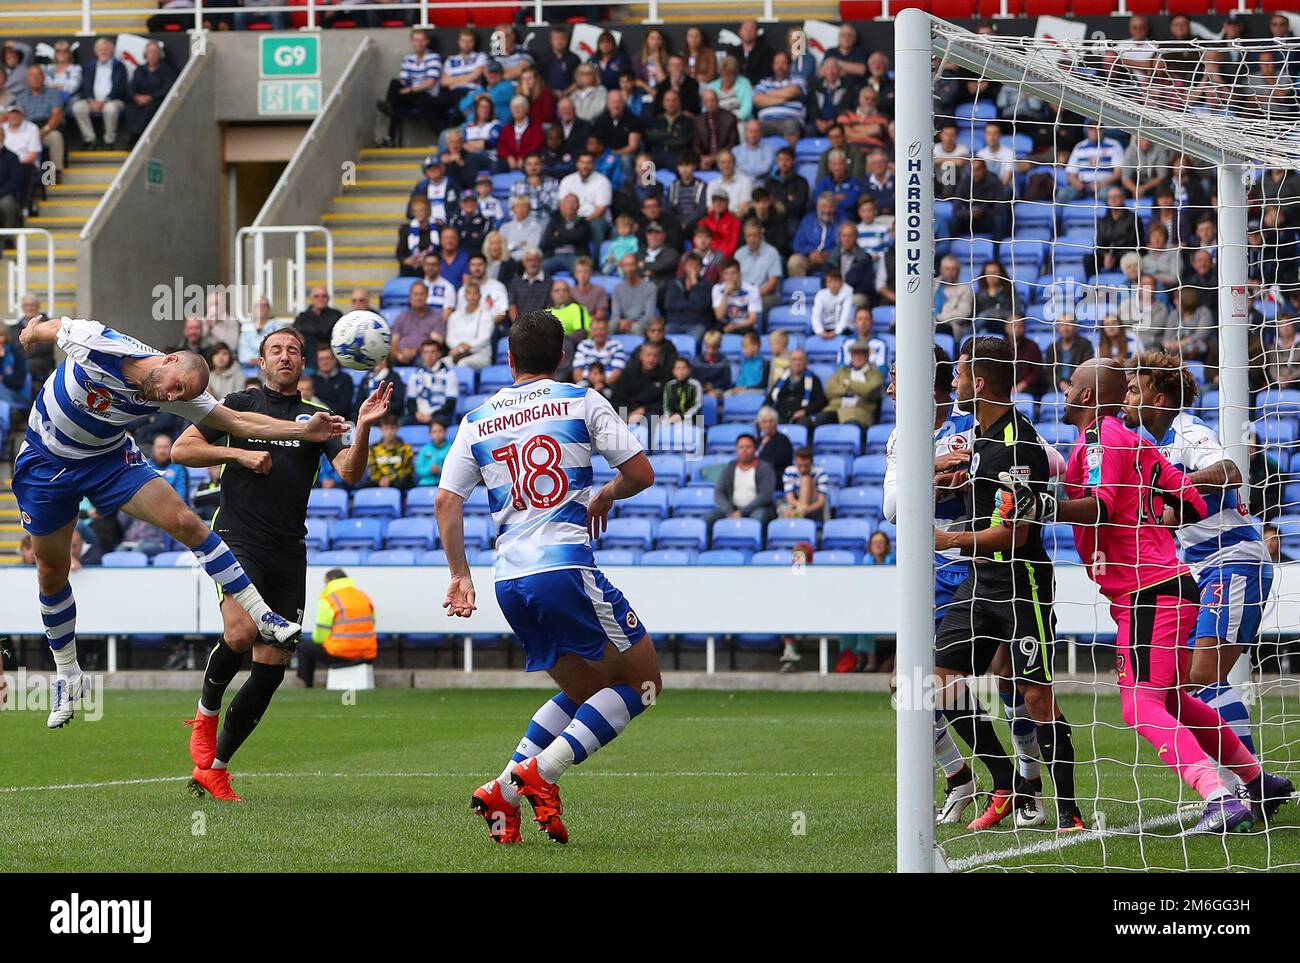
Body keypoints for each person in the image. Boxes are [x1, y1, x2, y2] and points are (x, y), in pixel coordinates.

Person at [15, 317, 348, 728]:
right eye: (174, 387)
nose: (171, 396)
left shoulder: (181, 393)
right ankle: (68, 673)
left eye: (181, 395)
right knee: (51, 571)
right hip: (46, 464)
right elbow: (55, 328)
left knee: (187, 521)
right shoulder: (100, 344)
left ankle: (262, 614)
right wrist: (32, 333)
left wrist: (303, 432)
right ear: (169, 359)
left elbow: (239, 423)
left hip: (107, 461)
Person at [1005, 357, 1292, 834]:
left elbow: (1099, 505)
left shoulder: (1100, 439)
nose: (1064, 388)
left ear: (1087, 396)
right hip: (1170, 583)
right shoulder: (1137, 442)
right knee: (1176, 698)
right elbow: (1191, 500)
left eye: (1071, 382)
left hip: (1148, 590)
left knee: (1139, 705)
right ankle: (1257, 780)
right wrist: (1151, 513)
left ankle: (1218, 796)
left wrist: (1043, 505)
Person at [437, 308, 661, 846]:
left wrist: (459, 575)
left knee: (587, 689)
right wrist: (605, 492)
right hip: (564, 566)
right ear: (562, 358)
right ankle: (533, 776)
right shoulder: (581, 399)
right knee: (643, 685)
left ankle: (501, 794)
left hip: (508, 581)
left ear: (509, 358)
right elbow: (641, 473)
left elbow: (446, 502)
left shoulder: (476, 419)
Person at [173, 328, 388, 801]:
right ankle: (206, 714)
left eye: (293, 350)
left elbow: (350, 472)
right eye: (276, 350)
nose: (285, 356)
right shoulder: (237, 403)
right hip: (236, 535)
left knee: (270, 670)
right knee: (241, 632)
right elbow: (181, 450)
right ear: (263, 360)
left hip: (289, 549)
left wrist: (365, 425)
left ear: (304, 362)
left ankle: (216, 768)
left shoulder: (318, 418)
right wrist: (239, 453)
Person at [931, 337, 1081, 832]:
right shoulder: (980, 434)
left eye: (957, 375)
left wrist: (947, 537)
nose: (952, 382)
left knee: (1034, 695)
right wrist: (955, 480)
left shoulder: (1018, 443)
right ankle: (1002, 781)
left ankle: (1070, 812)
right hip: (980, 579)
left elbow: (1019, 531)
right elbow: (992, 498)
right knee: (937, 682)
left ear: (979, 382)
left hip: (1021, 585)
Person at [1124, 353, 1276, 756]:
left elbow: (1230, 471)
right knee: (1188, 682)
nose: (1126, 397)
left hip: (1234, 562)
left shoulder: (1188, 432)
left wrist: (1176, 484)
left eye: (1134, 389)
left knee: (1205, 678)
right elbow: (1182, 509)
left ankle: (1250, 784)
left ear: (1157, 399)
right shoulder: (1155, 447)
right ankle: (1244, 778)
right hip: (1204, 570)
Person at [298, 569, 378, 688]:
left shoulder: (329, 599)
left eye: (326, 582)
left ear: (332, 580)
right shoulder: (362, 596)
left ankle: (306, 684)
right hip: (367, 653)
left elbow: (320, 636)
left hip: (342, 654)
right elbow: (372, 623)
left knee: (303, 645)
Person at [378, 28, 441, 146]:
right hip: (411, 94)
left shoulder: (433, 57)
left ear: (427, 41)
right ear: (412, 42)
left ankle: (389, 112)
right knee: (395, 84)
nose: (419, 43)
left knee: (397, 102)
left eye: (422, 40)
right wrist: (405, 90)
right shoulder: (408, 58)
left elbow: (430, 82)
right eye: (416, 40)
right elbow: (404, 80)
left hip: (427, 94)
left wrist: (411, 89)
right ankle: (390, 108)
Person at [707, 432, 775, 526]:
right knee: (708, 519)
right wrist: (729, 511)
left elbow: (765, 496)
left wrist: (742, 512)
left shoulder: (765, 469)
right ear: (736, 449)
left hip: (757, 508)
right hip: (732, 508)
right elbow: (719, 493)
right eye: (741, 447)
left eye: (748, 447)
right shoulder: (729, 468)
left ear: (755, 449)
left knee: (758, 518)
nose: (744, 450)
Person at [71, 37, 127, 150]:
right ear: (96, 52)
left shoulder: (119, 66)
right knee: (78, 107)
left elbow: (120, 88)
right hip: (93, 100)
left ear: (112, 51)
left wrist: (105, 100)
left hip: (113, 99)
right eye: (101, 49)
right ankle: (90, 140)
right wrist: (91, 100)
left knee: (110, 109)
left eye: (106, 49)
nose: (104, 52)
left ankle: (109, 141)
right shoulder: (90, 66)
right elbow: (85, 86)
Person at [817, 341, 884, 430]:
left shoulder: (875, 375)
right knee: (821, 419)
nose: (858, 357)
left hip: (859, 412)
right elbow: (829, 390)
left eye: (861, 354)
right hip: (836, 408)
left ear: (867, 356)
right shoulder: (842, 372)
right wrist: (857, 389)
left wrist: (849, 384)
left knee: (851, 426)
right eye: (855, 354)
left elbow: (869, 391)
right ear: (851, 356)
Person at [124, 41, 175, 146]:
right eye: (150, 52)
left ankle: (138, 138)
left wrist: (151, 97)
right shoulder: (140, 70)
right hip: (139, 100)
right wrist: (136, 97)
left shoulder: (167, 70)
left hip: (156, 99)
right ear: (145, 54)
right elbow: (132, 87)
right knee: (131, 108)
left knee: (150, 109)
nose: (152, 55)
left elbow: (167, 88)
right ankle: (132, 136)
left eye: (155, 52)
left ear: (160, 54)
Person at [407, 338, 459, 426]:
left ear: (439, 354)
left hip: (439, 416)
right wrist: (416, 413)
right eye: (426, 352)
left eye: (433, 352)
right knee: (402, 422)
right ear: (422, 355)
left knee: (441, 421)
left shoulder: (449, 374)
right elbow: (410, 400)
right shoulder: (415, 374)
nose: (429, 355)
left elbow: (451, 403)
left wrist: (432, 416)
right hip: (419, 416)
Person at [767, 349, 826, 424]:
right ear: (790, 362)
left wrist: (805, 411)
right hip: (781, 414)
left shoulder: (814, 379)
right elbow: (770, 398)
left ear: (806, 362)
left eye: (800, 360)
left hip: (801, 416)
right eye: (794, 360)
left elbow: (820, 401)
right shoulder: (782, 378)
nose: (797, 363)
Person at [446, 281, 495, 369]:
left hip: (480, 355)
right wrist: (459, 347)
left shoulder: (486, 315)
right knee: (442, 363)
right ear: (465, 296)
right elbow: (449, 338)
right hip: (458, 353)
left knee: (462, 364)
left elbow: (484, 339)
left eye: (475, 293)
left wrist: (463, 348)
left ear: (479, 296)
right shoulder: (454, 316)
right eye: (469, 293)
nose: (472, 296)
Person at [293, 285, 342, 362]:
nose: (320, 299)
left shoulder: (336, 315)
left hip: (330, 358)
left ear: (328, 298)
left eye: (324, 296)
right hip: (308, 359)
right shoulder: (302, 317)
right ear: (311, 299)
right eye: (316, 296)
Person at [779, 446, 828, 521]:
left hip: (813, 505)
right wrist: (802, 507)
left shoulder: (821, 472)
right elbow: (790, 498)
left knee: (806, 479)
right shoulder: (789, 471)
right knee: (787, 512)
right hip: (796, 504)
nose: (803, 469)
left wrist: (807, 509)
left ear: (811, 462)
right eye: (799, 466)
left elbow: (821, 501)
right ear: (795, 462)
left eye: (806, 466)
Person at [572, 316, 625, 383]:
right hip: (586, 385)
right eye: (595, 330)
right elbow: (577, 372)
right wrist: (590, 387)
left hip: (608, 385)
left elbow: (617, 373)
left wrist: (602, 385)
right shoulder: (583, 345)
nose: (598, 333)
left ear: (607, 330)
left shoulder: (616, 345)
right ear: (590, 331)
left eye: (601, 329)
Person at [369, 413, 416, 490]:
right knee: (364, 486)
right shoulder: (373, 449)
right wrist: (380, 479)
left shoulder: (406, 448)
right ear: (381, 429)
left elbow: (408, 470)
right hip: (379, 481)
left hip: (399, 481)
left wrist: (390, 479)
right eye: (386, 428)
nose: (389, 432)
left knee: (403, 483)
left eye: (392, 428)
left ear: (397, 429)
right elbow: (372, 469)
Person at [312, 344, 355, 418]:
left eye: (327, 358)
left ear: (334, 360)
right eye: (321, 359)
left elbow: (344, 407)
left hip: (339, 420)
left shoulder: (345, 379)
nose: (324, 362)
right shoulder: (312, 379)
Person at [662, 356, 701, 423]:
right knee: (659, 426)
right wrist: (670, 416)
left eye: (684, 368)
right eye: (678, 368)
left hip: (690, 418)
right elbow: (666, 405)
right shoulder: (669, 385)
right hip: (672, 418)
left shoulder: (695, 385)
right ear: (673, 371)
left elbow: (697, 405)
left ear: (689, 370)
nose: (681, 371)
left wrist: (683, 416)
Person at [415, 419, 452, 486]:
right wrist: (430, 470)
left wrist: (440, 470)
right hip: (425, 483)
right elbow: (418, 469)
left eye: (440, 431)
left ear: (446, 432)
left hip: (446, 485)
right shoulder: (424, 449)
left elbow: (454, 470)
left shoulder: (452, 449)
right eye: (434, 432)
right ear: (430, 433)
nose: (437, 434)